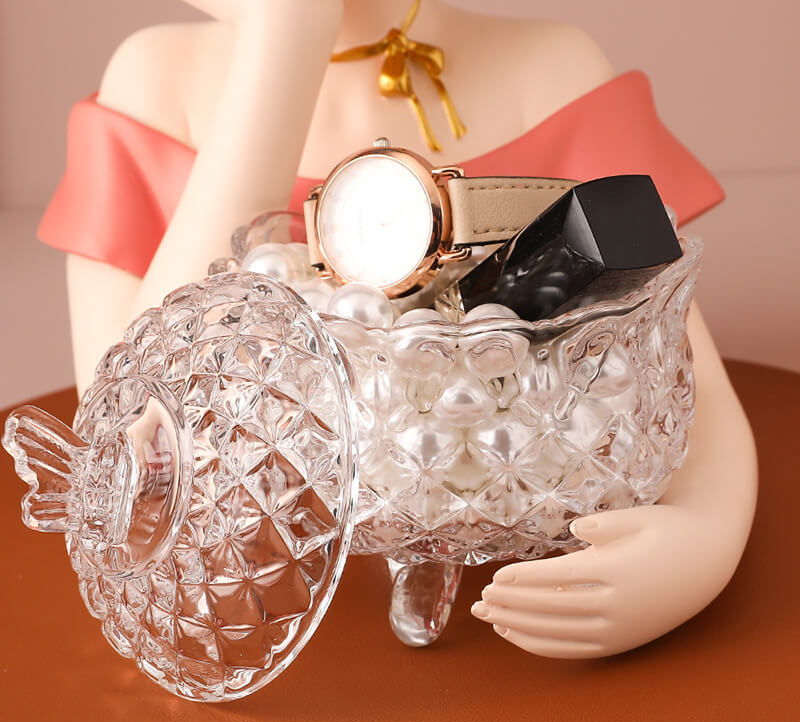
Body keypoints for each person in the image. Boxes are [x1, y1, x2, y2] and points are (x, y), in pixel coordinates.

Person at [37, 0, 758, 658]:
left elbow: (676, 371)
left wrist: (705, 537)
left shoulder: (549, 71)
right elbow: (128, 439)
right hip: (270, 593)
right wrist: (285, 35)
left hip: (513, 495)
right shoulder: (160, 82)